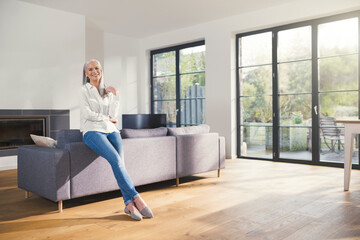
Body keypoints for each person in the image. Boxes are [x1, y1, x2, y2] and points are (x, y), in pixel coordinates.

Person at [80, 59, 153, 221]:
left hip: (111, 131)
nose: (94, 71)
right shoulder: (83, 91)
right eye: (90, 69)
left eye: (97, 68)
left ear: (101, 70)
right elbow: (87, 114)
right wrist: (106, 118)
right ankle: (137, 198)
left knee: (120, 163)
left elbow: (114, 115)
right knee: (116, 161)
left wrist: (116, 95)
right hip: (92, 131)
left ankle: (128, 204)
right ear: (86, 73)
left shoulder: (107, 90)